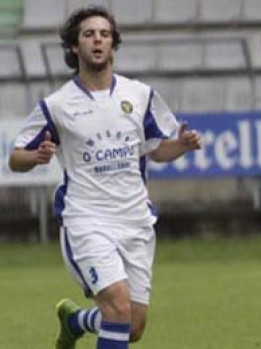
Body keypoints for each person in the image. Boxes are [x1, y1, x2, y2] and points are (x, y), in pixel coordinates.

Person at [7, 6, 202, 349]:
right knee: (118, 307)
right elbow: (15, 158)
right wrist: (35, 157)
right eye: (88, 34)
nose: (98, 40)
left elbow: (156, 151)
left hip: (135, 219)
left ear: (113, 45)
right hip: (87, 220)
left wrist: (182, 146)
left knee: (133, 326)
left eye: (105, 34)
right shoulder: (57, 105)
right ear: (73, 48)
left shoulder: (139, 95)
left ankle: (74, 321)